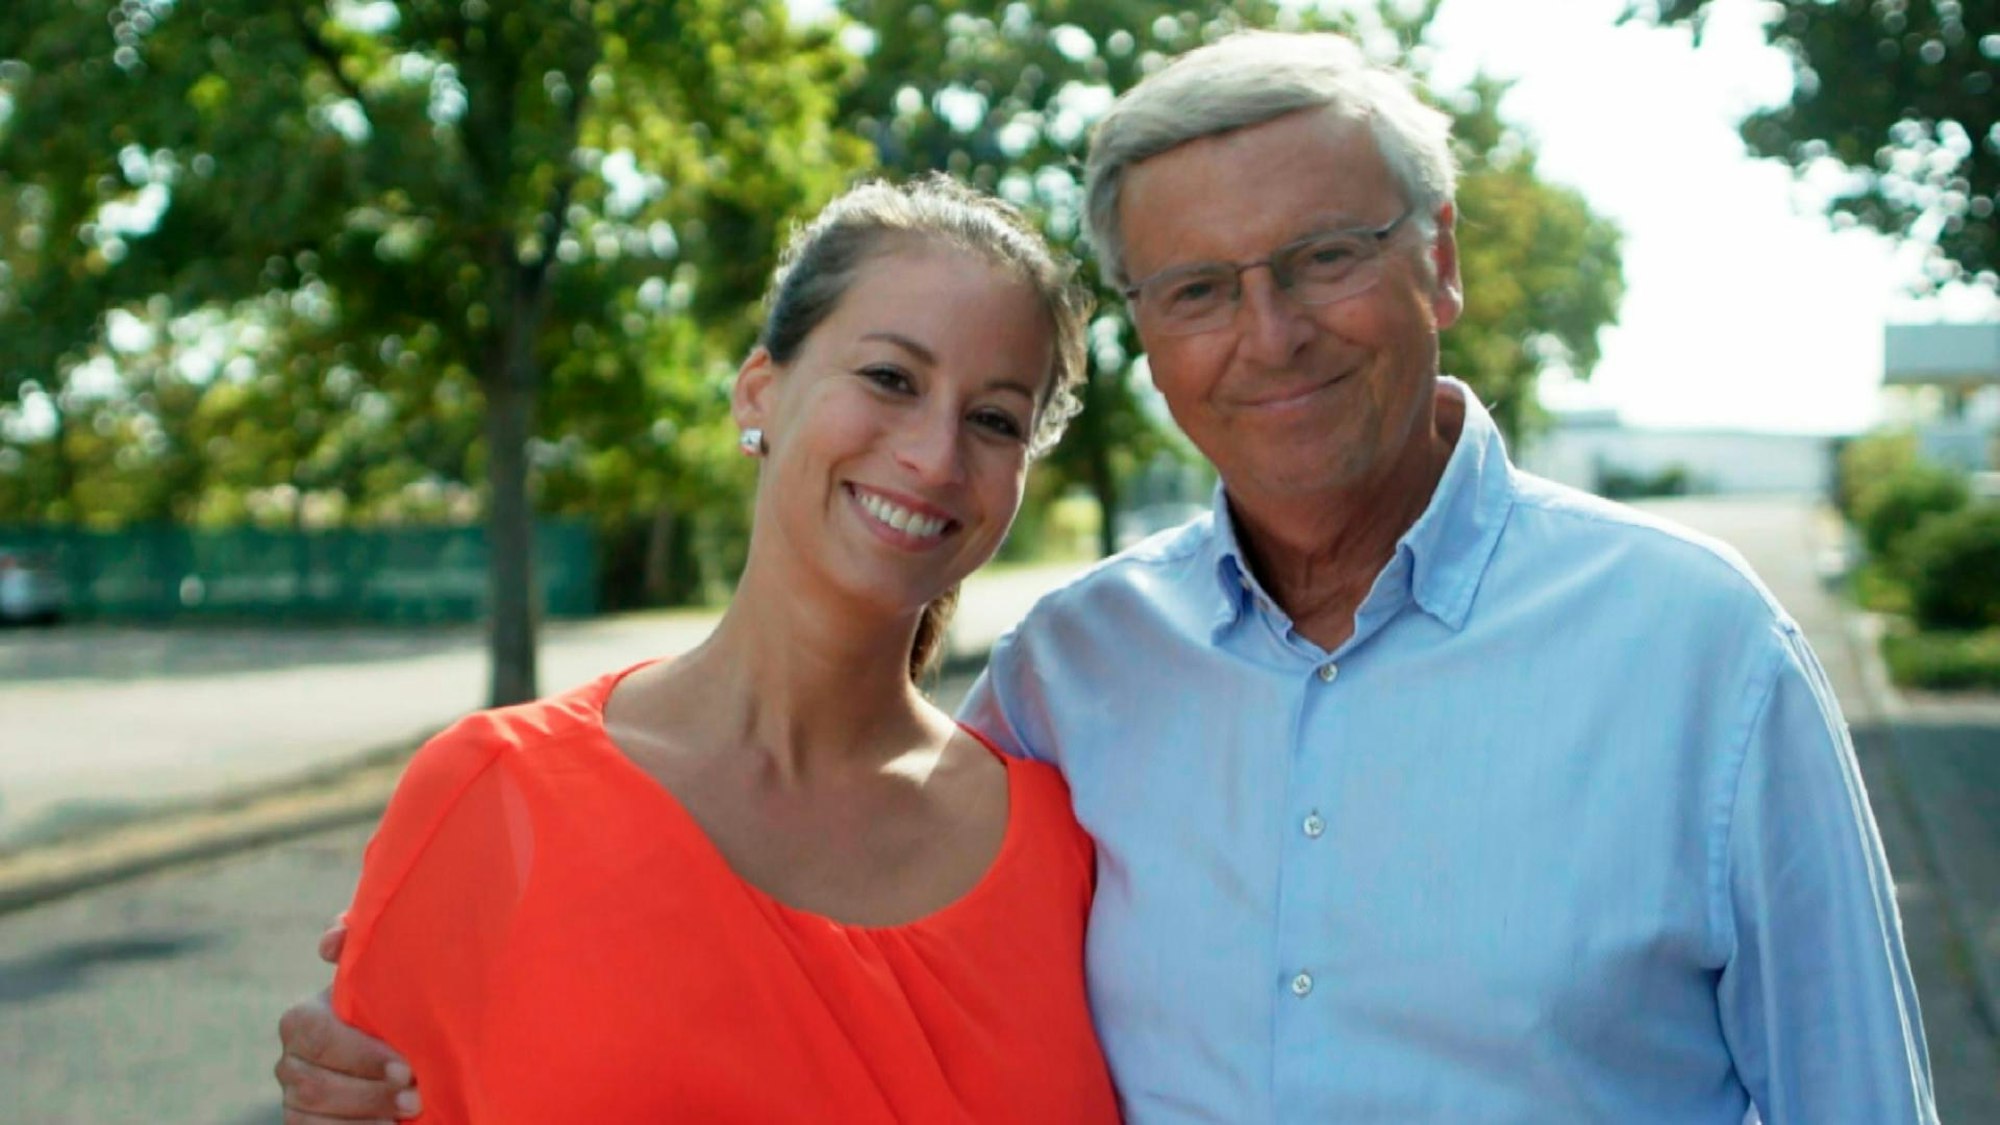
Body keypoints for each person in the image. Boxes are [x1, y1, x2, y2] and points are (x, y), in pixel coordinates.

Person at [280, 30, 1938, 1124]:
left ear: (1436, 261)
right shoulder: (1076, 684)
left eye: (1329, 258)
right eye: (1200, 288)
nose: (1271, 332)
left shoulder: (1695, 648)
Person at [279, 174, 1118, 1123]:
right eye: (891, 378)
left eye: (995, 419)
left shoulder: (1073, 846)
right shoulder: (493, 797)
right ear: (760, 391)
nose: (934, 454)